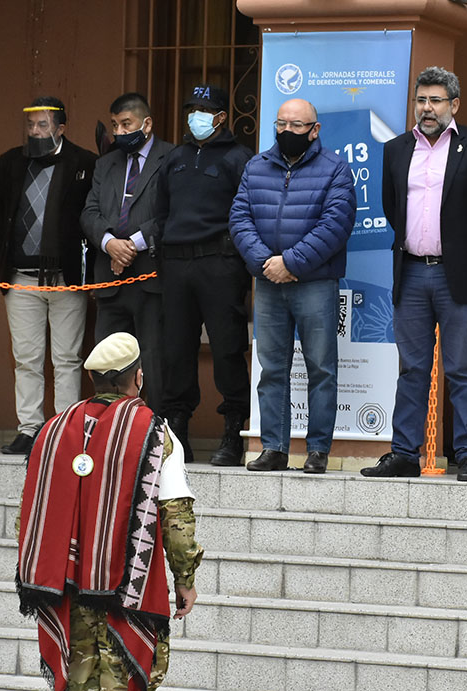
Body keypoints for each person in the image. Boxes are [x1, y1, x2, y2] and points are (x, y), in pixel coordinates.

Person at [15, 332, 202, 691]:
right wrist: (184, 578)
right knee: (120, 687)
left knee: (79, 684)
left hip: (64, 585)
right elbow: (175, 513)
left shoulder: (54, 429)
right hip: (128, 588)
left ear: (95, 378)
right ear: (137, 377)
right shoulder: (154, 431)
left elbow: (29, 510)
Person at [360, 66, 467, 483]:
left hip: (456, 275)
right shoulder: (395, 149)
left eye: (435, 101)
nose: (427, 109)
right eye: (421, 100)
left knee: (462, 367)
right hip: (410, 273)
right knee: (412, 368)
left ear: (454, 105)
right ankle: (405, 453)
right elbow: (392, 207)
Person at [229, 97, 355, 473]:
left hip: (314, 282)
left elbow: (336, 225)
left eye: (296, 126)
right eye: (281, 124)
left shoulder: (335, 168)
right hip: (268, 281)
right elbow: (239, 218)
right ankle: (274, 448)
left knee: (321, 369)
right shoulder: (256, 166)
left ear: (314, 130)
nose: (287, 131)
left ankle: (317, 450)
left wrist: (292, 263)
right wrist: (266, 264)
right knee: (271, 370)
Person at [156, 85, 253, 466]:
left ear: (221, 117)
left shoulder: (238, 158)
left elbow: (248, 212)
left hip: (220, 262)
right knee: (176, 349)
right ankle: (177, 433)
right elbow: (162, 212)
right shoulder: (174, 157)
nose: (195, 115)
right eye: (191, 108)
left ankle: (232, 431)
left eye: (204, 109)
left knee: (228, 348)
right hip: (177, 264)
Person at [0, 97, 97, 456]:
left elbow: (91, 218)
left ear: (61, 128)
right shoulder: (9, 162)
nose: (35, 131)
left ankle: (65, 430)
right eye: (31, 125)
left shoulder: (85, 162)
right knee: (26, 358)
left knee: (67, 359)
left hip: (65, 277)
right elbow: (1, 217)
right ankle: (29, 429)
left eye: (42, 125)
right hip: (21, 277)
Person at [81, 93, 174, 415]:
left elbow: (170, 214)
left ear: (146, 124)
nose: (119, 132)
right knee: (106, 358)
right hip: (110, 277)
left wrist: (133, 243)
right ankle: (107, 424)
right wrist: (110, 243)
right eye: (114, 125)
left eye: (126, 124)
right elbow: (90, 212)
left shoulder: (171, 158)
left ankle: (154, 428)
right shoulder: (105, 164)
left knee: (152, 357)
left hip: (151, 279)